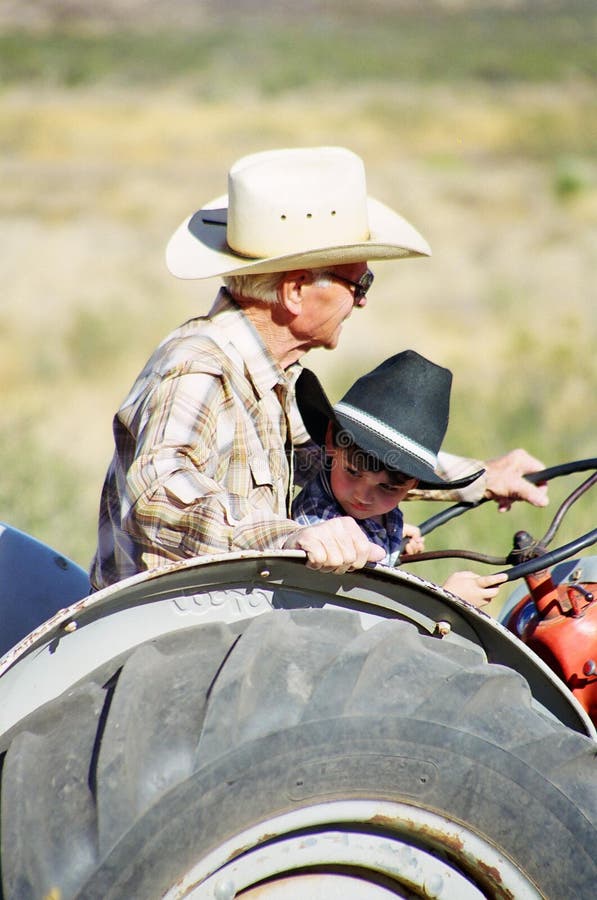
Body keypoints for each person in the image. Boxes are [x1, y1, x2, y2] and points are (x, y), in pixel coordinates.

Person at [90, 146, 547, 590]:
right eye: (358, 282)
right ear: (295, 290)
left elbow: (347, 453)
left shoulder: (275, 376)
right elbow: (157, 493)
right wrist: (291, 537)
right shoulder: (200, 367)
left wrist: (479, 478)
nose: (363, 300)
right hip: (169, 634)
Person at [292, 350, 507, 606]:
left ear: (412, 484)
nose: (363, 494)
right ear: (331, 442)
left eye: (388, 487)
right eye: (352, 471)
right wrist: (441, 601)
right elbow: (356, 610)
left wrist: (389, 540)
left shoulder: (375, 514)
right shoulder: (319, 521)